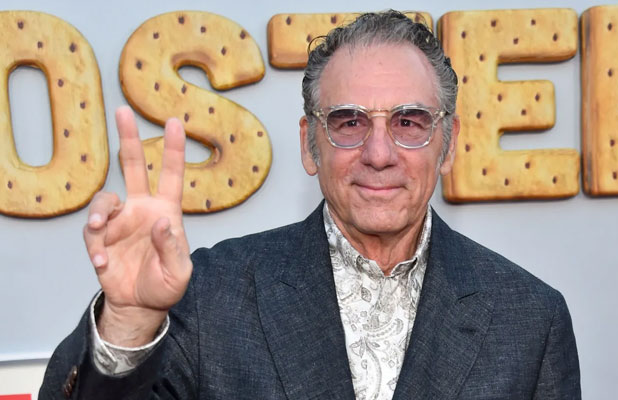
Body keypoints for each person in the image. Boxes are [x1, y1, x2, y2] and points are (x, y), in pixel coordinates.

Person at [40, 10, 580, 400]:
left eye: (408, 122)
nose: (379, 154)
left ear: (448, 143)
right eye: (349, 122)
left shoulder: (531, 318)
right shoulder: (208, 294)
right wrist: (130, 322)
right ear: (309, 144)